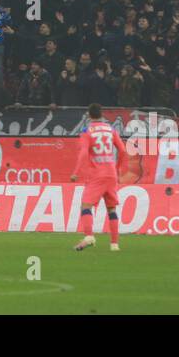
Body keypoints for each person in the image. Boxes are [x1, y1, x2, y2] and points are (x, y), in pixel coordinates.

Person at [69, 103, 127, 253]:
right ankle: (114, 245)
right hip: (111, 174)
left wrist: (75, 172)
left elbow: (83, 153)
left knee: (85, 206)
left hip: (97, 175)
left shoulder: (87, 131)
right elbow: (122, 150)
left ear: (89, 115)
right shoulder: (111, 129)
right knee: (111, 209)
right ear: (102, 114)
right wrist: (117, 167)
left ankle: (89, 236)